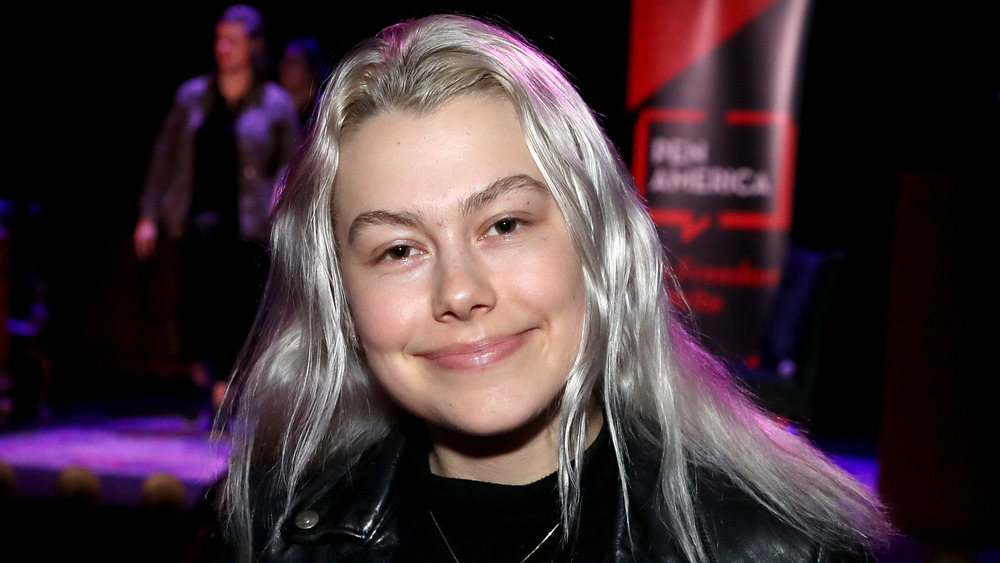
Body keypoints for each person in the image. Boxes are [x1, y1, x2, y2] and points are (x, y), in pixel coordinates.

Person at [216, 14, 892, 562]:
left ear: (597, 242)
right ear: (341, 298)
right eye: (399, 249)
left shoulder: (781, 546)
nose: (460, 291)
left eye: (504, 223)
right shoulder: (262, 531)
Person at [134, 5, 299, 423]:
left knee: (238, 310)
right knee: (195, 307)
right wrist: (149, 214)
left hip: (247, 224)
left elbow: (291, 164)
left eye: (233, 40)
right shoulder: (192, 96)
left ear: (253, 46)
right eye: (218, 39)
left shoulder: (274, 103)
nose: (223, 48)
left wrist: (279, 202)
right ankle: (201, 385)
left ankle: (227, 391)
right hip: (194, 220)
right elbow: (165, 157)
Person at [278, 36, 329, 129]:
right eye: (284, 61)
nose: (285, 67)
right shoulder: (275, 110)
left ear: (312, 70)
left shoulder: (325, 112)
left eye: (294, 62)